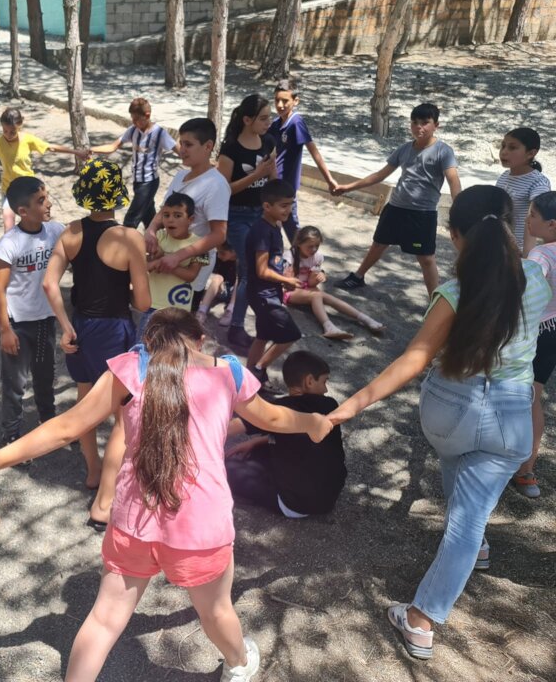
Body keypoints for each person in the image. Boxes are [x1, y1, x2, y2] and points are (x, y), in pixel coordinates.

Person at [0, 308, 334, 682]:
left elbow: (65, 428)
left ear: (148, 343)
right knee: (217, 612)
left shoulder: (132, 367)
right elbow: (273, 419)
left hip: (134, 522)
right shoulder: (229, 372)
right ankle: (239, 665)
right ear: (199, 339)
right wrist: (312, 423)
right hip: (201, 528)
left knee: (104, 619)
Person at [328, 186, 550, 661]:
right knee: (473, 509)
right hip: (513, 417)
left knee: (462, 489)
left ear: (454, 236)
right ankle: (472, 551)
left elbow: (413, 360)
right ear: (509, 228)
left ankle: (423, 617)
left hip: (454, 409)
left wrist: (351, 406)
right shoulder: (537, 276)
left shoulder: (452, 293)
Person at [43, 158, 150, 491]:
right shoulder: (130, 238)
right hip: (115, 329)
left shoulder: (70, 232)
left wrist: (65, 327)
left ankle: (93, 470)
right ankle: (114, 478)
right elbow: (143, 303)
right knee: (122, 408)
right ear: (117, 196)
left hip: (81, 327)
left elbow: (49, 284)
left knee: (85, 402)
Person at [334, 103, 461, 296]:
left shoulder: (443, 151)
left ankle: (435, 299)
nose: (419, 127)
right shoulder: (403, 149)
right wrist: (347, 187)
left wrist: (460, 206)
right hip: (395, 208)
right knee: (378, 244)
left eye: (425, 122)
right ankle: (358, 276)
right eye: (415, 122)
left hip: (422, 215)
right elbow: (379, 175)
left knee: (426, 259)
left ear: (436, 125)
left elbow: (453, 179)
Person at [225, 350, 346, 517]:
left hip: (295, 505)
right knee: (261, 451)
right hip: (329, 497)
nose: (326, 389)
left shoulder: (279, 409)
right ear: (309, 381)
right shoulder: (330, 404)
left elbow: (231, 427)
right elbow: (299, 434)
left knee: (226, 468)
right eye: (325, 382)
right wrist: (255, 442)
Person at [0, 176, 64, 446]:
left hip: (45, 320)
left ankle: (49, 423)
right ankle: (11, 435)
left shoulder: (56, 231)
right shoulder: (9, 244)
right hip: (18, 324)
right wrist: (5, 330)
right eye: (41, 201)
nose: (48, 204)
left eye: (46, 197)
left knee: (45, 377)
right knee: (15, 385)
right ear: (23, 211)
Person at [144, 117, 231, 313]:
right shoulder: (180, 176)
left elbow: (219, 234)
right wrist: (151, 229)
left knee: (175, 324)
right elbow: (163, 210)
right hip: (165, 260)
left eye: (188, 144)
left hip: (189, 269)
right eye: (181, 143)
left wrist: (179, 256)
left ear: (208, 146)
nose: (181, 149)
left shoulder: (216, 185)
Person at [216, 95, 278, 351]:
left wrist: (279, 205)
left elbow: (272, 178)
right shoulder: (230, 148)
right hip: (237, 215)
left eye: (269, 117)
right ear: (247, 120)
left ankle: (253, 321)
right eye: (263, 118)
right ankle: (237, 328)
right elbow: (222, 189)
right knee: (248, 271)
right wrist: (256, 175)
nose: (269, 122)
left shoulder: (269, 141)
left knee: (265, 267)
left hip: (261, 213)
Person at [0, 106, 89, 231]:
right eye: (5, 131)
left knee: (37, 220)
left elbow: (50, 147)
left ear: (20, 126)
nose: (8, 135)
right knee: (8, 221)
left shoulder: (27, 139)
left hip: (29, 189)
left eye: (13, 131)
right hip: (9, 189)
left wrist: (76, 152)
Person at [516, 190, 556, 498]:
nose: (528, 219)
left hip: (534, 330)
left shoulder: (542, 255)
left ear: (552, 224)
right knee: (534, 396)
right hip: (553, 333)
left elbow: (530, 284)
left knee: (515, 392)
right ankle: (526, 471)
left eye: (533, 215)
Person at [244, 179, 302, 391]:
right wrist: (286, 280)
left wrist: (283, 277)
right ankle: (258, 369)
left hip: (268, 291)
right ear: (267, 206)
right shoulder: (262, 232)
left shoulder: (273, 225)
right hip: (264, 294)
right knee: (291, 335)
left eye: (291, 204)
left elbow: (272, 265)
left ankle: (248, 379)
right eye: (284, 205)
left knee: (262, 336)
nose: (288, 209)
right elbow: (262, 270)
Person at [268, 79, 340, 241]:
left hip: (286, 187)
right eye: (277, 100)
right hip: (272, 184)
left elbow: (314, 152)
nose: (280, 105)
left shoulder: (296, 123)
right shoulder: (274, 124)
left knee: (292, 228)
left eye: (285, 101)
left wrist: (329, 180)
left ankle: (303, 260)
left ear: (296, 101)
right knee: (271, 226)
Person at [283, 226, 385, 339]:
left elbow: (311, 284)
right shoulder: (289, 256)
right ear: (299, 244)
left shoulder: (317, 257)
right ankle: (329, 327)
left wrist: (318, 277)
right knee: (316, 295)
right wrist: (308, 286)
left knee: (330, 298)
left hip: (306, 288)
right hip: (290, 290)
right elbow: (288, 283)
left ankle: (365, 319)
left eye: (316, 246)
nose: (314, 249)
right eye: (310, 246)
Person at [90, 97, 177, 231]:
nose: (133, 122)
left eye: (136, 119)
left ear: (147, 116)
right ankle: (159, 242)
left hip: (149, 182)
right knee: (149, 217)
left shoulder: (159, 133)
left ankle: (125, 248)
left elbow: (179, 150)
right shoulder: (133, 130)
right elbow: (113, 147)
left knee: (131, 219)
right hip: (137, 181)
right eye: (132, 118)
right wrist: (92, 150)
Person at [141, 191, 207, 335]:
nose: (171, 220)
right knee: (144, 348)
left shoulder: (198, 245)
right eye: (166, 215)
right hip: (151, 304)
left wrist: (165, 260)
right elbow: (142, 266)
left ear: (190, 219)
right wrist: (155, 261)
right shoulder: (157, 237)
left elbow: (191, 275)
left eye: (177, 215)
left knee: (172, 351)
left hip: (178, 311)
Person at [495, 127, 549, 256]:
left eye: (512, 148)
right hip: (499, 246)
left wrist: (527, 257)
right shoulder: (503, 177)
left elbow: (534, 218)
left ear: (531, 153)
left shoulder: (538, 182)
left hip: (519, 251)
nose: (504, 152)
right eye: (503, 146)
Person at [196, 243, 238, 325]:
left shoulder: (240, 261)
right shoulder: (219, 259)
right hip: (223, 289)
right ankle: (202, 311)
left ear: (234, 252)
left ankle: (230, 310)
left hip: (236, 294)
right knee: (217, 277)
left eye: (222, 253)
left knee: (239, 279)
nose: (219, 256)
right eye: (218, 253)